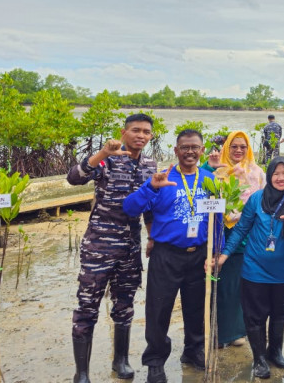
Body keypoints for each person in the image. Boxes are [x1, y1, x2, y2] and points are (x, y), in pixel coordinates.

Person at [68, 113, 157, 383]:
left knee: (125, 305)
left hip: (130, 247)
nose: (141, 135)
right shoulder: (108, 158)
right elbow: (75, 177)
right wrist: (102, 152)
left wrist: (151, 237)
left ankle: (121, 361)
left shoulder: (150, 165)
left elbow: (149, 205)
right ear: (123, 132)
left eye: (146, 132)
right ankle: (81, 372)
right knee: (87, 306)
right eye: (135, 130)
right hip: (99, 246)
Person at [123, 129, 212, 383]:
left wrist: (215, 253)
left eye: (195, 147)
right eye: (184, 147)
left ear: (202, 150)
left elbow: (217, 220)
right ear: (176, 150)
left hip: (199, 255)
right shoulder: (162, 178)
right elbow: (130, 208)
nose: (190, 152)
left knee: (196, 309)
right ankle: (155, 361)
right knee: (159, 309)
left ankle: (193, 351)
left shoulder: (209, 179)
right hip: (166, 255)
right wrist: (150, 188)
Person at [210, 156, 284, 379]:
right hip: (254, 269)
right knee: (255, 316)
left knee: (279, 313)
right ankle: (259, 359)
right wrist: (225, 255)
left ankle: (275, 352)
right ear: (270, 175)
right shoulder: (257, 198)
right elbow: (241, 229)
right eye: (276, 173)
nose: (281, 177)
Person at [213, 131, 264, 349]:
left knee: (244, 286)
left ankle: (238, 331)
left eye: (243, 146)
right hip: (222, 234)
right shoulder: (216, 171)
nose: (238, 151)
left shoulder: (257, 172)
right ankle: (221, 333)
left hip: (249, 236)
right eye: (234, 146)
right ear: (226, 147)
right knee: (223, 286)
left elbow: (263, 203)